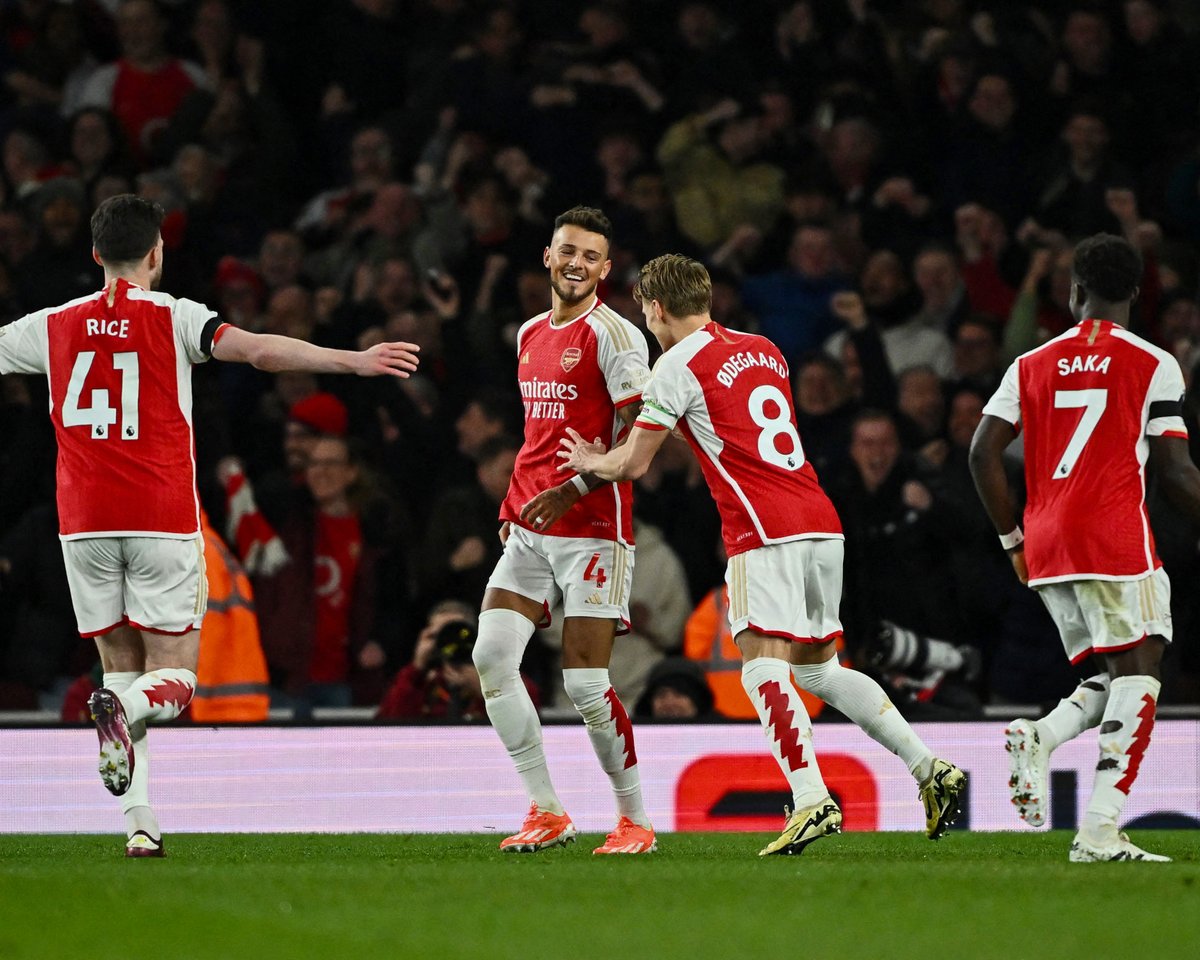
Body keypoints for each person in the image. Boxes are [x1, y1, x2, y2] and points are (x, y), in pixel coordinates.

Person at [0, 194, 419, 858]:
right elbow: (260, 353)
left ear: (94, 256)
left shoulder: (49, 326)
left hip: (83, 526)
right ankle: (129, 719)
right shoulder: (176, 318)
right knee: (172, 677)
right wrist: (354, 360)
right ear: (156, 253)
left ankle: (140, 824)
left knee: (117, 670)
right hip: (161, 519)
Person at [559, 254, 966, 856]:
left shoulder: (676, 364)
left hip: (763, 528)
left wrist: (593, 461)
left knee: (760, 664)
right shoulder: (763, 348)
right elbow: (723, 425)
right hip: (820, 521)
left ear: (659, 307)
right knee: (819, 670)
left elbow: (635, 463)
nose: (645, 319)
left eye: (645, 308)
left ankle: (809, 799)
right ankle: (931, 769)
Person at [969, 232, 1200, 863]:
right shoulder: (1154, 363)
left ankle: (1041, 738)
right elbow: (1176, 472)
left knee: (1111, 675)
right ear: (1133, 292)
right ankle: (1099, 830)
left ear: (1074, 292)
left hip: (1046, 544)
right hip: (1113, 535)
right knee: (1143, 677)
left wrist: (1012, 539)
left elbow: (982, 452)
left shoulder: (1030, 363)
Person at [471, 206, 655, 855]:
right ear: (548, 256)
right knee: (490, 658)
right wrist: (513, 507)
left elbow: (641, 437)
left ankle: (634, 820)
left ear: (605, 270)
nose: (576, 263)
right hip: (529, 526)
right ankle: (546, 810)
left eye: (590, 256)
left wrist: (576, 486)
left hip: (593, 528)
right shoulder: (528, 333)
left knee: (583, 683)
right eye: (567, 251)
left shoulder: (616, 336)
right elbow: (538, 439)